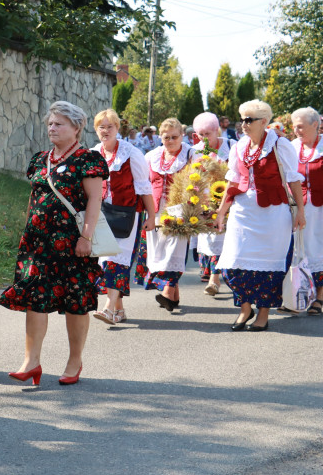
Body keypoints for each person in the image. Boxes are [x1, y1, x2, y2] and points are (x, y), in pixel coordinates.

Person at [0, 101, 107, 386]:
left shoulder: (87, 159)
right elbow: (35, 198)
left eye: (58, 124)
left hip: (71, 243)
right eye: (50, 123)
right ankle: (31, 361)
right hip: (38, 242)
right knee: (35, 298)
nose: (52, 128)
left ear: (76, 128)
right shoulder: (40, 159)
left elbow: (95, 200)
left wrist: (86, 236)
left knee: (75, 301)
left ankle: (74, 360)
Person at [217, 100, 306, 331]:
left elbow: (294, 179)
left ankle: (263, 313)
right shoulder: (239, 146)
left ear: (264, 122)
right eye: (242, 120)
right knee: (231, 264)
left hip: (273, 214)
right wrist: (221, 212)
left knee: (269, 267)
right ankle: (245, 308)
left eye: (249, 120)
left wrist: (300, 212)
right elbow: (232, 181)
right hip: (242, 213)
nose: (244, 125)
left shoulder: (280, 145)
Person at [90, 109, 156, 325]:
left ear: (118, 129)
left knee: (115, 261)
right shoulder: (93, 154)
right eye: (102, 127)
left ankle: (108, 309)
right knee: (105, 260)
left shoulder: (131, 154)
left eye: (110, 126)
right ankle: (119, 309)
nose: (106, 130)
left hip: (127, 215)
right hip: (100, 215)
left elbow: (144, 188)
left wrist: (151, 217)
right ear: (96, 130)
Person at [141, 118, 196, 311]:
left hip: (180, 210)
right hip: (155, 210)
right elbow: (143, 183)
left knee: (174, 251)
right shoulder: (151, 156)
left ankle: (166, 291)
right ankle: (173, 297)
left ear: (182, 136)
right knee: (158, 250)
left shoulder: (191, 154)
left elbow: (200, 183)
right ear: (160, 137)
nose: (170, 140)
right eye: (166, 137)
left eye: (174, 137)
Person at [191, 112, 236, 296]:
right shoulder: (196, 150)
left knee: (223, 237)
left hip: (229, 198)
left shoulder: (231, 146)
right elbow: (193, 176)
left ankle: (215, 278)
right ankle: (211, 275)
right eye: (200, 134)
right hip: (206, 199)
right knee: (208, 239)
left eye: (208, 134)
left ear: (216, 130)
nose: (204, 138)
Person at [291, 107, 323, 315]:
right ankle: (300, 294)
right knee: (300, 250)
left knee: (319, 248)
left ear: (315, 125)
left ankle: (319, 296)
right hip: (298, 208)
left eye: (301, 126)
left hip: (320, 208)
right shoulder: (292, 147)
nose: (296, 130)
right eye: (294, 126)